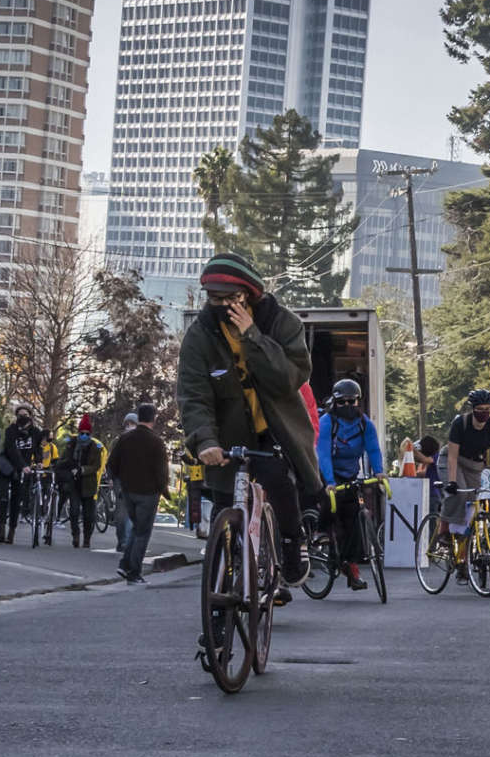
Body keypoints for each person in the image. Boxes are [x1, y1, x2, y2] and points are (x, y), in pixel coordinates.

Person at [175, 251, 318, 597]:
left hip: (274, 431)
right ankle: (218, 601)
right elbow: (193, 395)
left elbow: (287, 379)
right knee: (224, 510)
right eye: (215, 298)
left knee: (279, 483)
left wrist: (252, 335)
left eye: (231, 298)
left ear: (249, 294)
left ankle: (289, 545)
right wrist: (204, 440)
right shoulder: (200, 336)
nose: (222, 305)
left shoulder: (282, 324)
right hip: (226, 437)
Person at [313, 377, 385, 590]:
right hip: (328, 472)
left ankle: (350, 567)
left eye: (351, 401)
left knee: (354, 517)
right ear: (335, 402)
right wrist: (330, 481)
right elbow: (323, 453)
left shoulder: (365, 424)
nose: (347, 406)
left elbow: (373, 449)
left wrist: (379, 472)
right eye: (342, 402)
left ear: (358, 402)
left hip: (351, 474)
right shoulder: (327, 422)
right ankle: (321, 531)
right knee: (329, 501)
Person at [439, 389, 490, 570]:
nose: (484, 412)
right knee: (459, 492)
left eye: (488, 408)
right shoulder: (460, 424)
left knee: (471, 508)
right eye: (480, 409)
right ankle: (443, 529)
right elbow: (452, 456)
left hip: (474, 465)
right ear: (472, 409)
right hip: (452, 460)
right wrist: (452, 482)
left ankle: (462, 559)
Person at [109, 402, 171, 584]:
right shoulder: (156, 442)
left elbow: (112, 464)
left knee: (136, 529)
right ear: (154, 418)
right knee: (142, 532)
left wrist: (120, 482)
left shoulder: (125, 439)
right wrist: (164, 490)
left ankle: (124, 563)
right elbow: (161, 471)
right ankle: (133, 571)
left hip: (128, 490)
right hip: (148, 492)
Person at [0, 403, 47, 542]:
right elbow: (12, 449)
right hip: (6, 467)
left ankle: (11, 532)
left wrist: (38, 461)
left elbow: (38, 449)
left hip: (21, 469)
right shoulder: (11, 430)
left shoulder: (35, 432)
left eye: (25, 416)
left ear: (30, 416)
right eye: (20, 416)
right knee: (3, 497)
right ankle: (1, 528)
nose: (22, 418)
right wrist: (23, 465)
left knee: (16, 499)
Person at [57, 413, 105, 548]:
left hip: (88, 485)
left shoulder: (95, 448)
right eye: (82, 432)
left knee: (89, 515)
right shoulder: (71, 445)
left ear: (90, 434)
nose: (84, 435)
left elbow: (96, 466)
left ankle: (87, 538)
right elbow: (63, 460)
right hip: (74, 484)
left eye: (87, 433)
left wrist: (82, 470)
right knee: (73, 511)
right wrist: (70, 467)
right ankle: (76, 535)